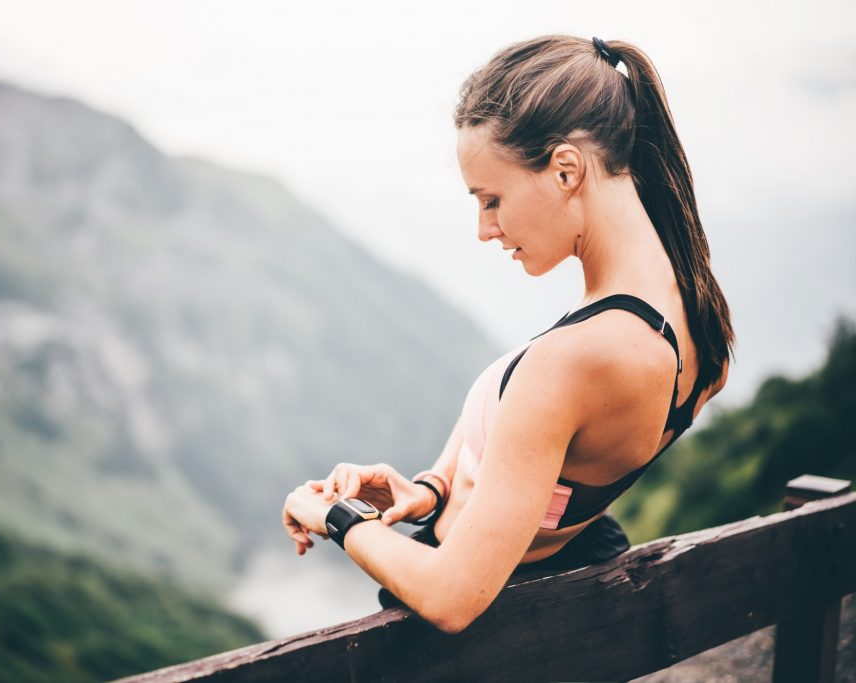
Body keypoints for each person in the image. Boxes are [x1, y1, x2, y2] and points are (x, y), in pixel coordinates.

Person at [282, 34, 735, 635]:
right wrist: (431, 488)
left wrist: (332, 515)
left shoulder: (580, 357)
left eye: (492, 199)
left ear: (566, 169)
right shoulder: (693, 317)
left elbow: (452, 596)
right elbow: (553, 486)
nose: (484, 228)